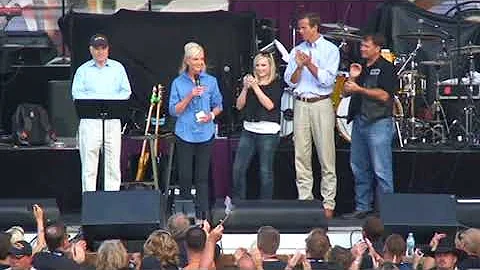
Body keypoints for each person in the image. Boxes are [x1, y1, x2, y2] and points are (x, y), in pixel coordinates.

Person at [283, 12, 339, 219]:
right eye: (299, 28)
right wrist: (299, 66)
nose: (301, 31)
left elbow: (326, 81)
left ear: (315, 27)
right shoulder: (297, 50)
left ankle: (328, 203)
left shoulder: (330, 50)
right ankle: (305, 201)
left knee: (326, 156)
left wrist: (309, 64)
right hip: (301, 104)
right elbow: (290, 81)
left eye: (304, 27)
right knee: (301, 155)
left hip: (321, 103)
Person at [342, 34, 396, 219]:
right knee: (359, 167)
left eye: (366, 46)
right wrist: (353, 78)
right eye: (362, 46)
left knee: (381, 170)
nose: (362, 49)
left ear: (377, 48)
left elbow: (384, 96)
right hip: (360, 121)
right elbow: (345, 92)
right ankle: (362, 207)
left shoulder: (387, 68)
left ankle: (387, 211)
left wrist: (360, 89)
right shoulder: (361, 67)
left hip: (378, 123)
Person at [168, 42, 223, 220]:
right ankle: (184, 217)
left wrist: (211, 116)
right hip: (185, 133)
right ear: (187, 61)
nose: (199, 62)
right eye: (195, 59)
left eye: (201, 59)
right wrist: (190, 95)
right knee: (185, 176)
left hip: (205, 133)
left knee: (201, 178)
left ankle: (203, 216)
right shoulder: (178, 82)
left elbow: (219, 105)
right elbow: (173, 110)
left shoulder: (210, 81)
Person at [71, 33, 132, 192]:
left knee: (113, 164)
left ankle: (112, 202)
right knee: (89, 165)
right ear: (90, 50)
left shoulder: (118, 68)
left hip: (112, 121)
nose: (100, 52)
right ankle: (89, 201)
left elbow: (126, 91)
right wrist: (100, 100)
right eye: (96, 48)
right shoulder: (83, 70)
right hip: (90, 122)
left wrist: (108, 101)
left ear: (108, 49)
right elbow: (76, 93)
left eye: (103, 48)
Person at [232, 52, 282, 200]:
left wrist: (256, 88)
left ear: (270, 67)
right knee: (238, 169)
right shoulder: (251, 84)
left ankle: (265, 205)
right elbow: (239, 106)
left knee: (265, 171)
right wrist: (246, 88)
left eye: (263, 65)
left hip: (268, 131)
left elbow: (269, 105)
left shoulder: (275, 83)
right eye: (258, 65)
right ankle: (238, 202)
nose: (260, 69)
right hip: (249, 130)